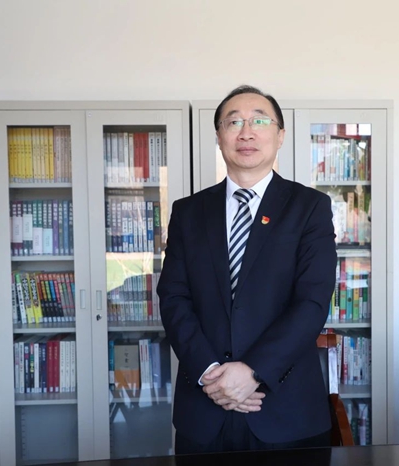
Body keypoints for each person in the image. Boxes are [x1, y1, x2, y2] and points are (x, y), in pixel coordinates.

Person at [157, 85, 337, 454]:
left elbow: (312, 301)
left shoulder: (309, 208)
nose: (247, 132)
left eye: (259, 121)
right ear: (219, 136)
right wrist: (211, 374)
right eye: (234, 122)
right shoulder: (188, 212)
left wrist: (252, 372)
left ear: (280, 135)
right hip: (205, 407)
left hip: (286, 409)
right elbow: (174, 298)